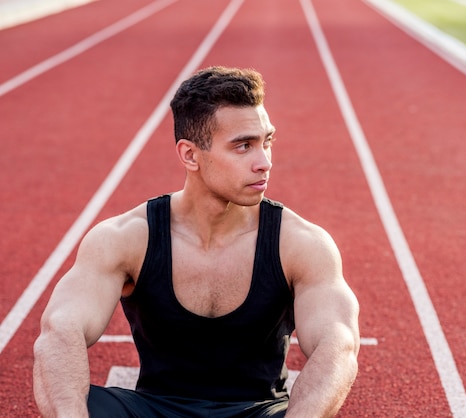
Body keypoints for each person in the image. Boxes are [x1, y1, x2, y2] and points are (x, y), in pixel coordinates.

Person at [33, 66, 360, 418]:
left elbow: (337, 344)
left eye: (267, 141)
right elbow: (59, 330)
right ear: (190, 155)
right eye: (243, 146)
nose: (264, 162)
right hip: (153, 410)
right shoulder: (126, 238)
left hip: (258, 411)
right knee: (75, 396)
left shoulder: (301, 244)